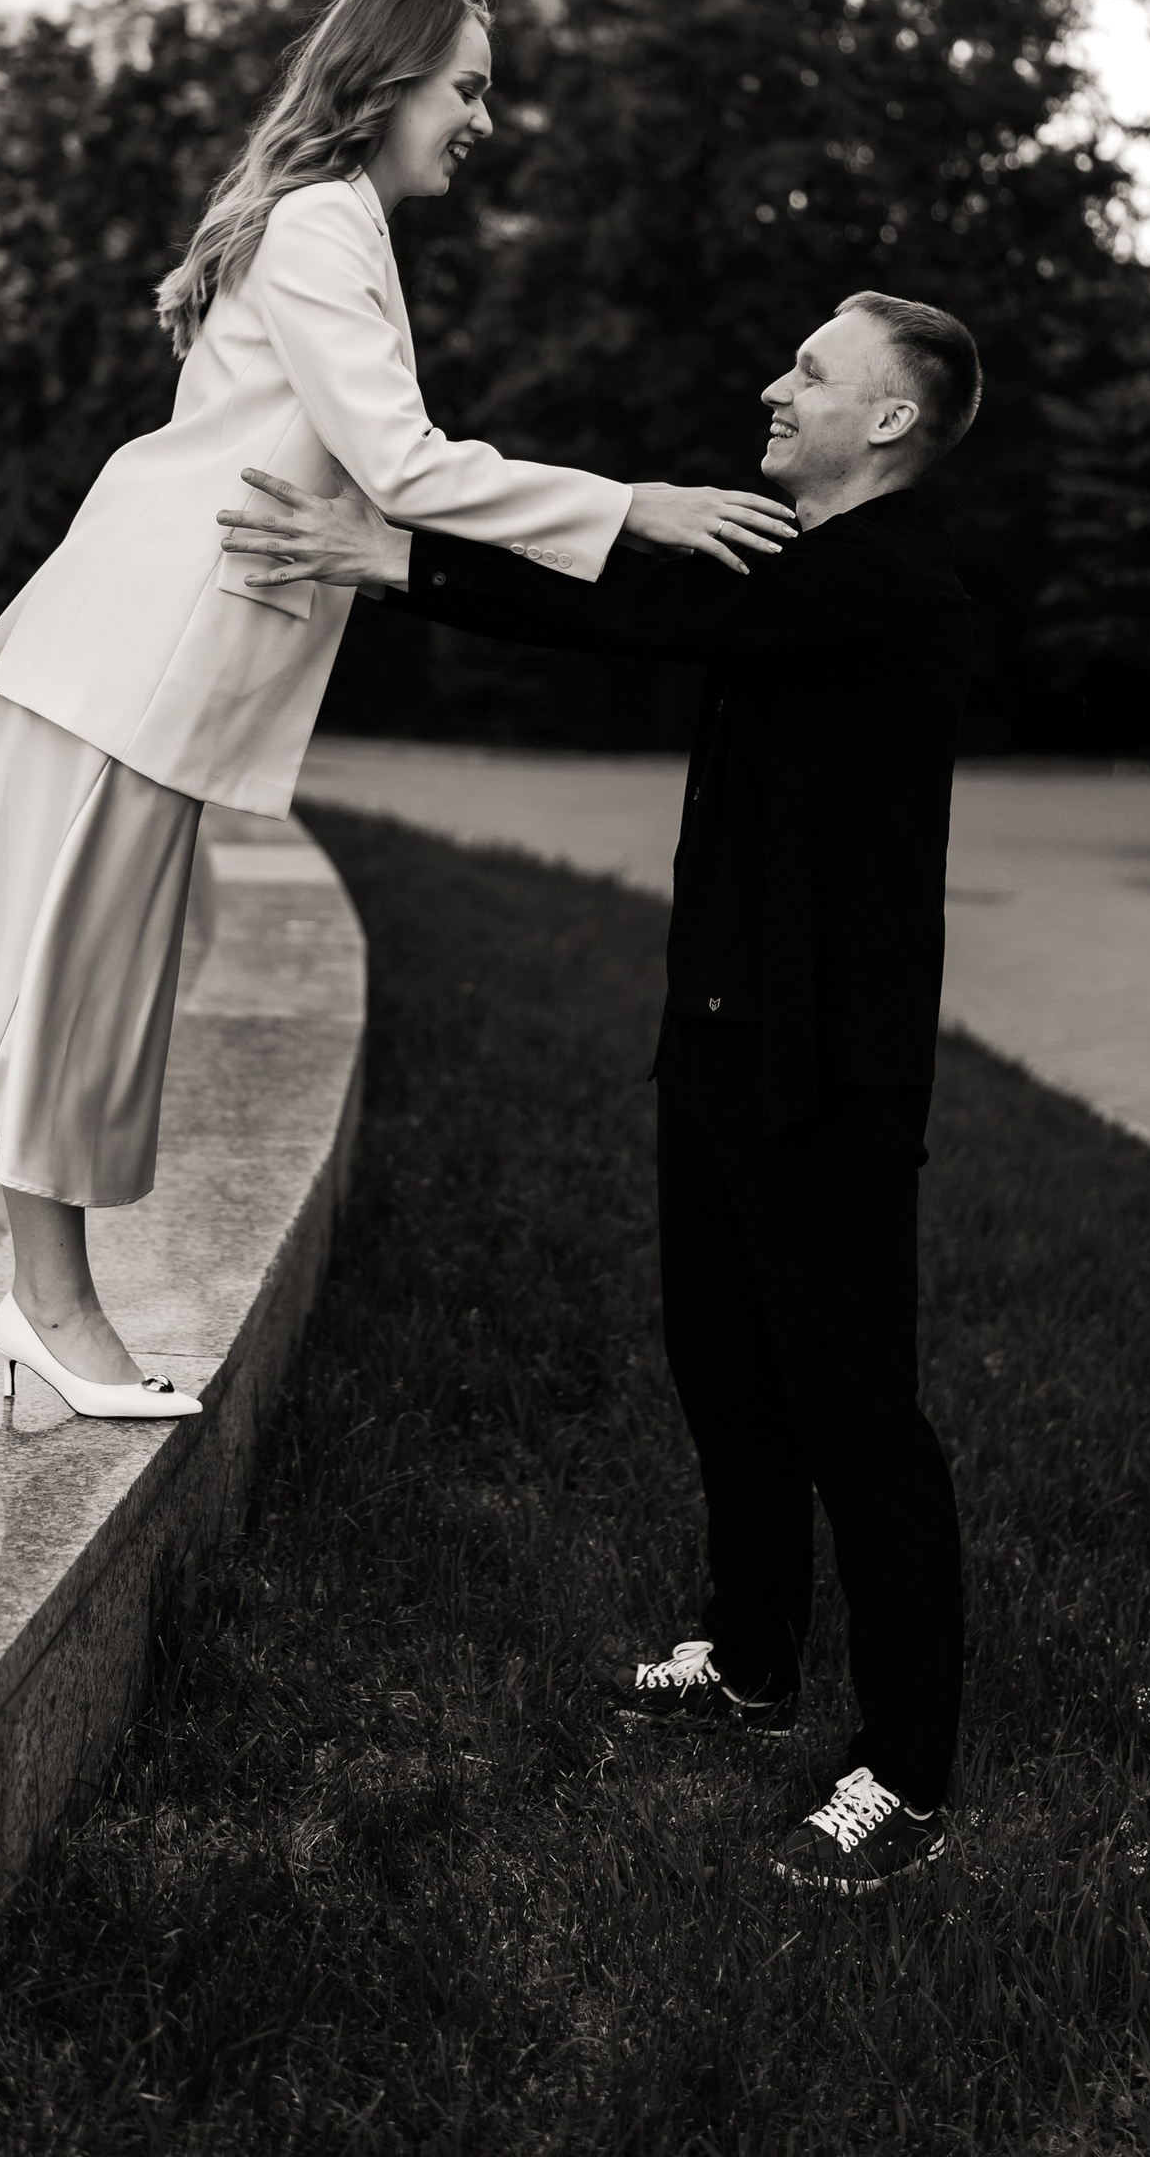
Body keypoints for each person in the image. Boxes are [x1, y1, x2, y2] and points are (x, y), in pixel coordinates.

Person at [0, 0, 792, 1423]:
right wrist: (631, 508)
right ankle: (51, 1309)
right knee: (71, 975)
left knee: (45, 951)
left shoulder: (333, 222)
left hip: (144, 648)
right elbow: (402, 461)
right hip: (146, 652)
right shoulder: (320, 227)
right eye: (468, 88)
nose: (484, 120)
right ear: (388, 85)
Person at [217, 288, 979, 1893]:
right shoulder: (795, 563)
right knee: (725, 1363)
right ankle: (752, 1660)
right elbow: (661, 607)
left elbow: (635, 614)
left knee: (855, 1412)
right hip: (717, 1036)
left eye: (812, 372)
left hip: (828, 1071)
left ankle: (908, 1775)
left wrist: (400, 558)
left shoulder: (890, 579)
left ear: (892, 418)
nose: (775, 386)